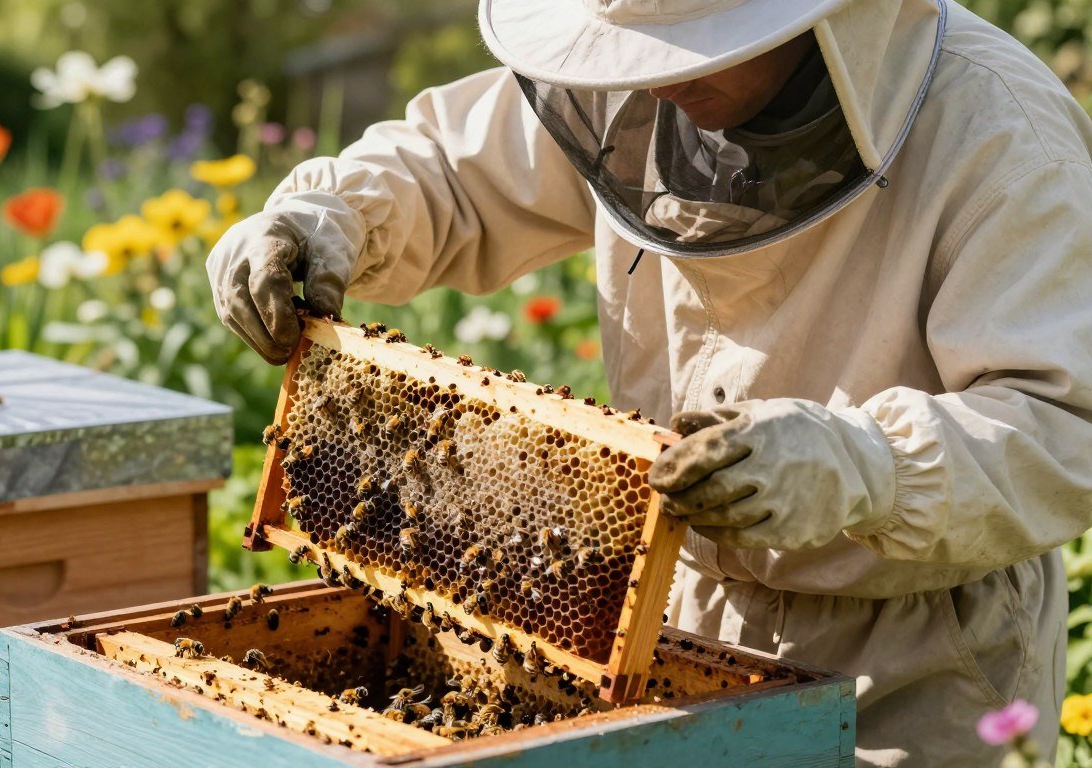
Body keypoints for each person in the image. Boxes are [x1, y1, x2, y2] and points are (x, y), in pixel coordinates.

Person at [207, 0, 1092, 764]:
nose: (657, 80)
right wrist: (329, 214)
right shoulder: (633, 77)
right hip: (667, 599)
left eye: (701, 42)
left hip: (913, 650)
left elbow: (1060, 425)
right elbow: (454, 169)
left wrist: (860, 463)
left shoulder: (1000, 130)